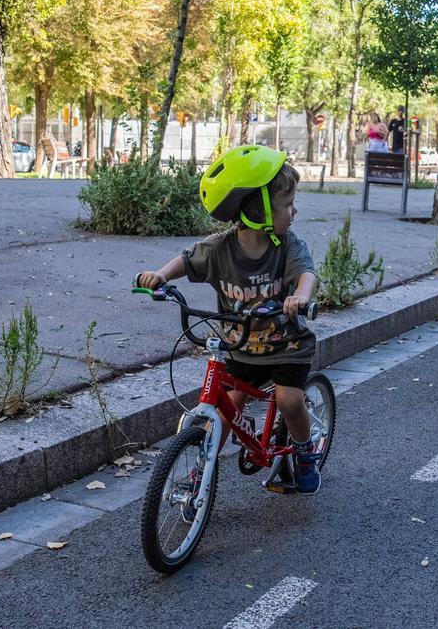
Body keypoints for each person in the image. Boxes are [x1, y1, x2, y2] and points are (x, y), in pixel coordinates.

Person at [135, 145, 322, 494]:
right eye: (287, 205)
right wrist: (160, 276)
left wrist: (300, 296)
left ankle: (304, 450)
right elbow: (188, 261)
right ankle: (200, 474)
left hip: (286, 345)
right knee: (223, 412)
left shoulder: (287, 246)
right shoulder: (219, 248)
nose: (294, 212)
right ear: (261, 209)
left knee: (289, 401)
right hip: (240, 347)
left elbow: (306, 274)